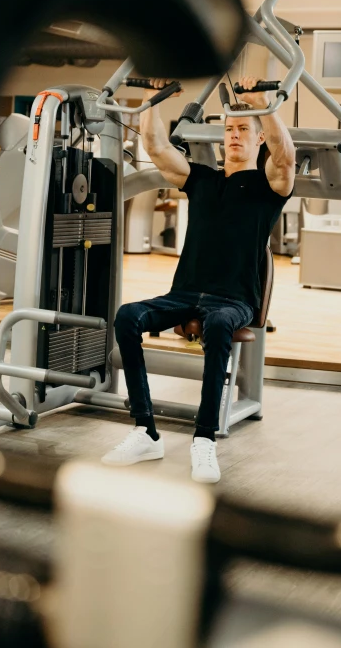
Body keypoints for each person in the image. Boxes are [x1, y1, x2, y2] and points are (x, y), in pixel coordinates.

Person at [101, 76, 295, 483]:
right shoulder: (203, 179)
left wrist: (261, 104)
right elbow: (156, 147)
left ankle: (204, 439)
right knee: (126, 316)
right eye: (229, 129)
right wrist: (154, 99)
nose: (234, 135)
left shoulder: (269, 186)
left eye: (243, 129)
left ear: (259, 138)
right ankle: (145, 430)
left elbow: (286, 155)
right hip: (184, 292)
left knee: (220, 323)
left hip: (233, 299)